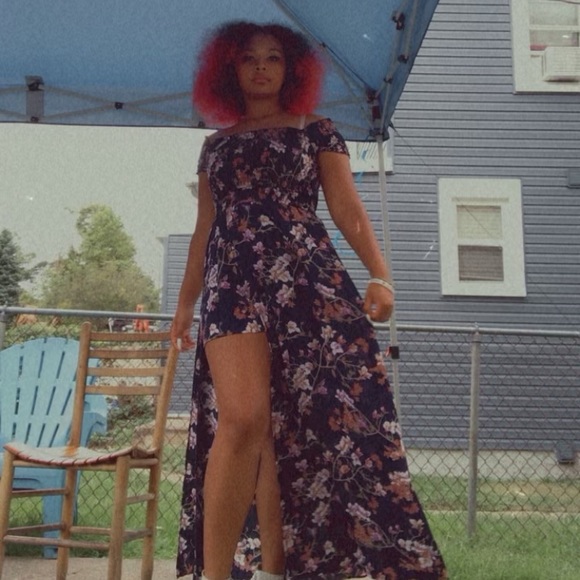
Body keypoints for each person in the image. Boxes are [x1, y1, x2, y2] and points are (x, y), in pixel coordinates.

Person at [171, 20, 447, 580]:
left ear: (292, 69)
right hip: (232, 285)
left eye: (274, 57)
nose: (262, 67)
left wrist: (382, 276)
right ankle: (213, 574)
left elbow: (347, 209)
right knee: (243, 419)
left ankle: (275, 570)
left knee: (288, 433)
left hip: (305, 284)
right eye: (249, 58)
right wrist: (183, 306)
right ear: (229, 69)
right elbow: (203, 232)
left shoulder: (316, 130)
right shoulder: (215, 146)